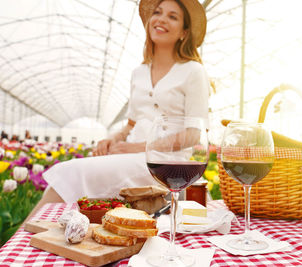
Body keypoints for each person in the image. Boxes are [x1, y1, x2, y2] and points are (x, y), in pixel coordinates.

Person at [24, 0, 209, 222]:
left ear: (184, 33)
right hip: (132, 158)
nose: (161, 19)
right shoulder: (138, 73)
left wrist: (138, 148)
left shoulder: (193, 71)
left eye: (172, 16)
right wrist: (110, 139)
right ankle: (34, 236)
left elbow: (193, 134)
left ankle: (22, 241)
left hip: (166, 165)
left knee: (72, 171)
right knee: (70, 175)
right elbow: (132, 123)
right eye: (158, 12)